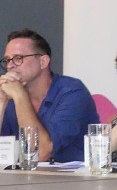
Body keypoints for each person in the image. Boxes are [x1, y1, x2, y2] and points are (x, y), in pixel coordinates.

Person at [0, 29, 98, 162]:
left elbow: (40, 153)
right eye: (7, 60)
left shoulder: (72, 92)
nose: (10, 66)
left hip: (73, 174)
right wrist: (1, 102)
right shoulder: (10, 96)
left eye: (18, 58)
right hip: (25, 175)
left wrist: (20, 97)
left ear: (43, 62)